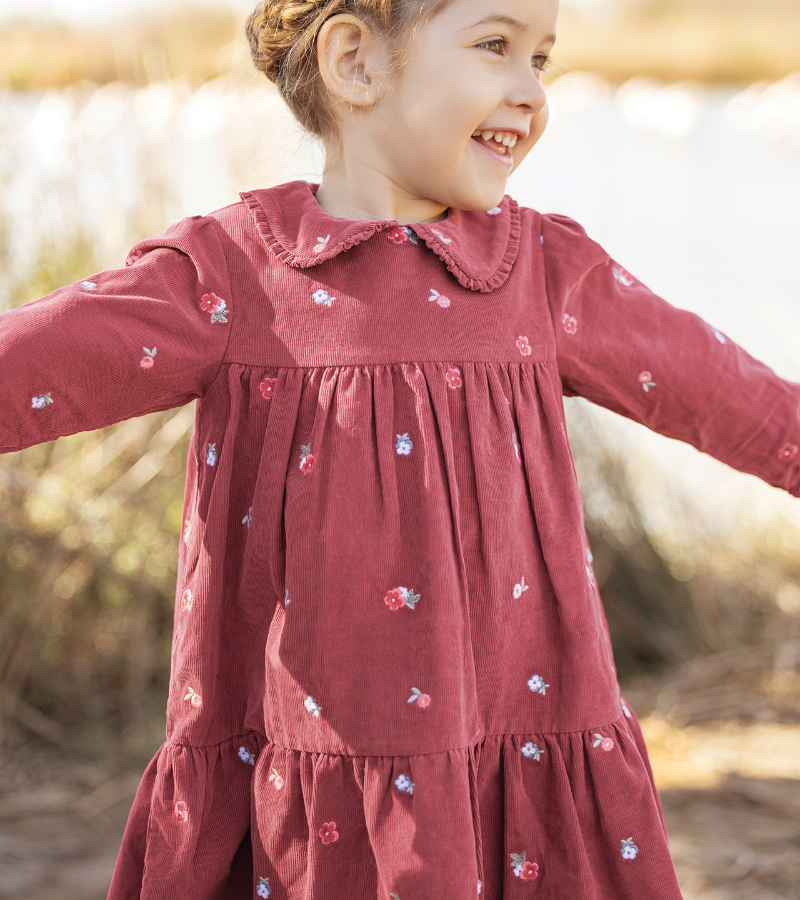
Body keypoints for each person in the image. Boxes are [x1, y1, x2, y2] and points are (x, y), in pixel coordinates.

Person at [2, 0, 798, 897]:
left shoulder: (543, 273)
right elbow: (35, 360)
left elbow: (728, 396)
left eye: (543, 59)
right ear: (355, 63)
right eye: (497, 46)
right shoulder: (231, 275)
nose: (532, 91)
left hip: (520, 732)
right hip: (312, 759)